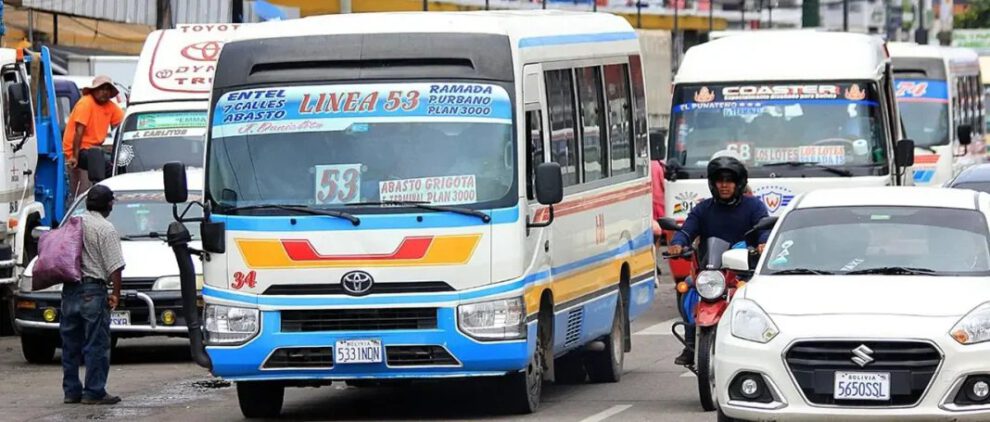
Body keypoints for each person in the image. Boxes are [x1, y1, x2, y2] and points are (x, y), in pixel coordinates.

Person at [667, 156, 770, 365]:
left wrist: (763, 243)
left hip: (743, 272)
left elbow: (764, 229)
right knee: (687, 291)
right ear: (713, 183)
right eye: (719, 180)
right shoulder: (704, 208)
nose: (724, 185)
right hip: (709, 271)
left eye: (729, 180)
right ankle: (690, 344)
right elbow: (687, 230)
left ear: (738, 183)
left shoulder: (754, 206)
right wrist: (678, 243)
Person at [60, 185, 124, 405]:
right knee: (96, 344)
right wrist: (115, 293)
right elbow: (115, 266)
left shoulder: (72, 223)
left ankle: (71, 392)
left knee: (70, 345)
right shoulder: (105, 228)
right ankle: (94, 392)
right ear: (108, 205)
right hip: (93, 292)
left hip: (69, 290)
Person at [62, 76, 124, 197]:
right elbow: (78, 132)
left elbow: (122, 122)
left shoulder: (110, 106)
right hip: (78, 149)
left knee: (118, 161)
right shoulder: (86, 103)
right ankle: (103, 193)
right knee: (106, 164)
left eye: (107, 89)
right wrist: (74, 157)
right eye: (101, 89)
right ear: (94, 90)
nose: (105, 92)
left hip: (94, 149)